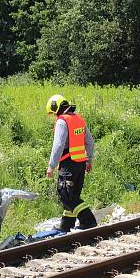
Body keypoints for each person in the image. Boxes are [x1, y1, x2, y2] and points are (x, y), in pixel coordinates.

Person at [45, 94, 97, 232]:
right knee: (72, 195)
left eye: (53, 113)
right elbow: (90, 143)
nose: (53, 116)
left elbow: (58, 145)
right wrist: (89, 161)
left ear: (56, 108)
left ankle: (89, 221)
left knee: (65, 194)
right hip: (80, 164)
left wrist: (51, 166)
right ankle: (67, 225)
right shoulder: (79, 119)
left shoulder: (62, 121)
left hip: (68, 164)